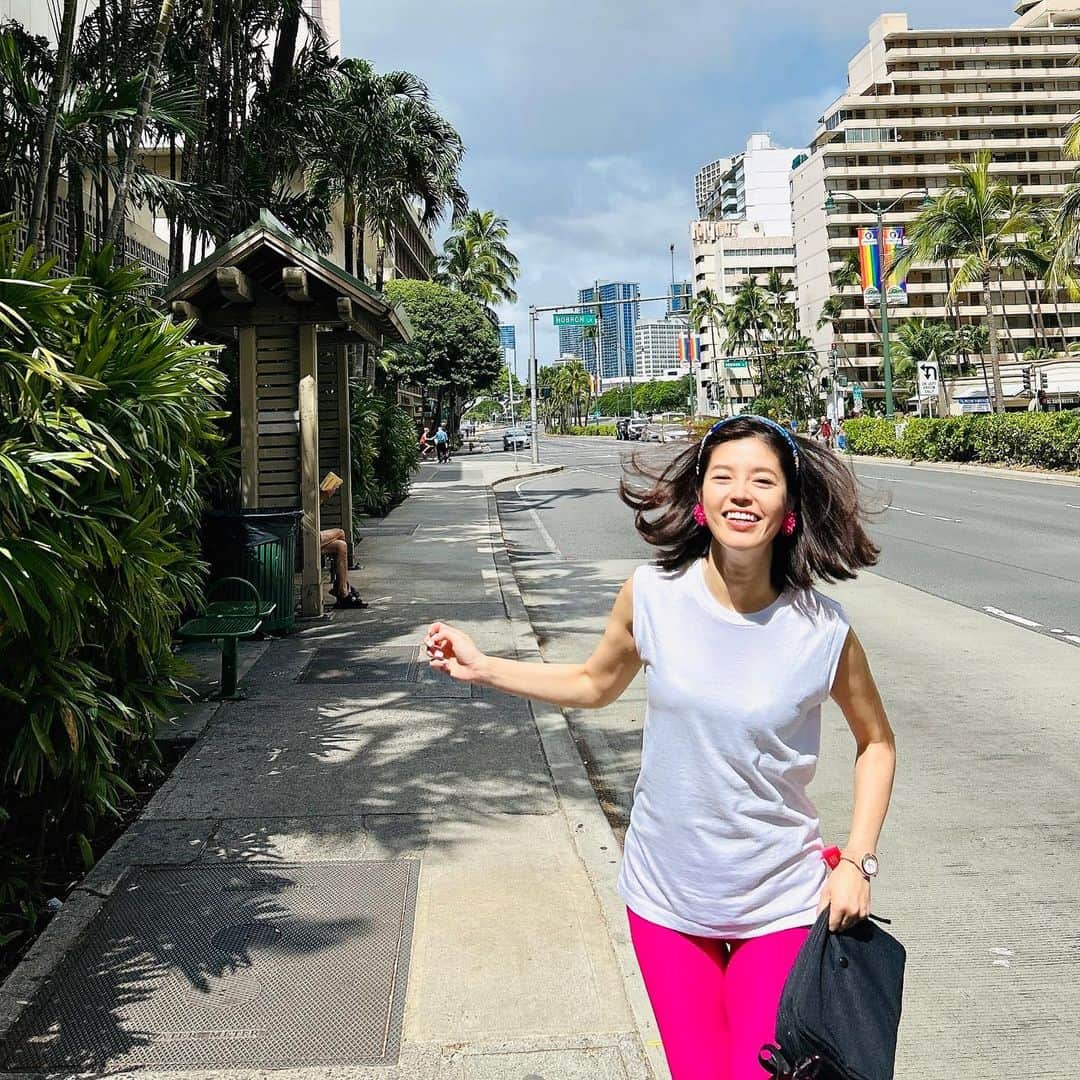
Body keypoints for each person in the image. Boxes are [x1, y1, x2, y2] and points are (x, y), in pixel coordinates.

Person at [424, 415, 896, 1080]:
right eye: (723, 477)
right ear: (699, 498)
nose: (741, 494)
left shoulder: (820, 631)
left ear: (788, 506)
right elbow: (593, 682)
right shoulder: (652, 596)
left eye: (762, 480)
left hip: (780, 902)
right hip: (667, 901)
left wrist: (858, 861)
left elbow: (876, 743)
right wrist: (484, 668)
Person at [319, 485, 365, 609]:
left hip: (309, 537)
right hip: (305, 537)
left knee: (341, 546)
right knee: (340, 533)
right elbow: (308, 509)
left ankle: (342, 590)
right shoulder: (300, 485)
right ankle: (341, 588)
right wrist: (323, 496)